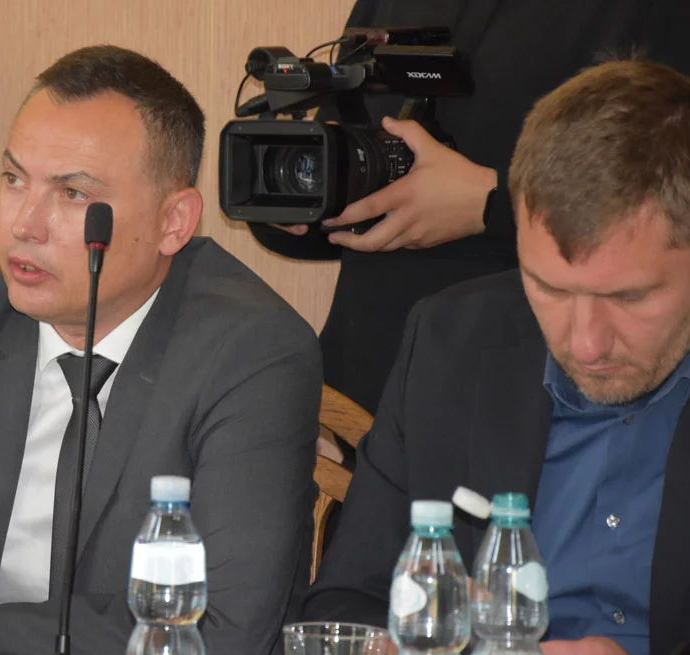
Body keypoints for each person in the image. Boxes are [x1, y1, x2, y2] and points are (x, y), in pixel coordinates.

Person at [0, 45, 322, 655]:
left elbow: (216, 635)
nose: (25, 225)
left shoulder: (250, 355)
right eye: (13, 180)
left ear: (173, 222)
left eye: (73, 194)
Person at [303, 59, 690, 655]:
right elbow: (349, 601)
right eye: (549, 289)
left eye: (629, 298)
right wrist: (409, 651)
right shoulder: (452, 340)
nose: (586, 344)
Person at [253, 0, 690, 416]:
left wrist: (491, 203)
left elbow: (668, 193)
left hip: (553, 386)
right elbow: (348, 155)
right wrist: (293, 203)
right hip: (374, 380)